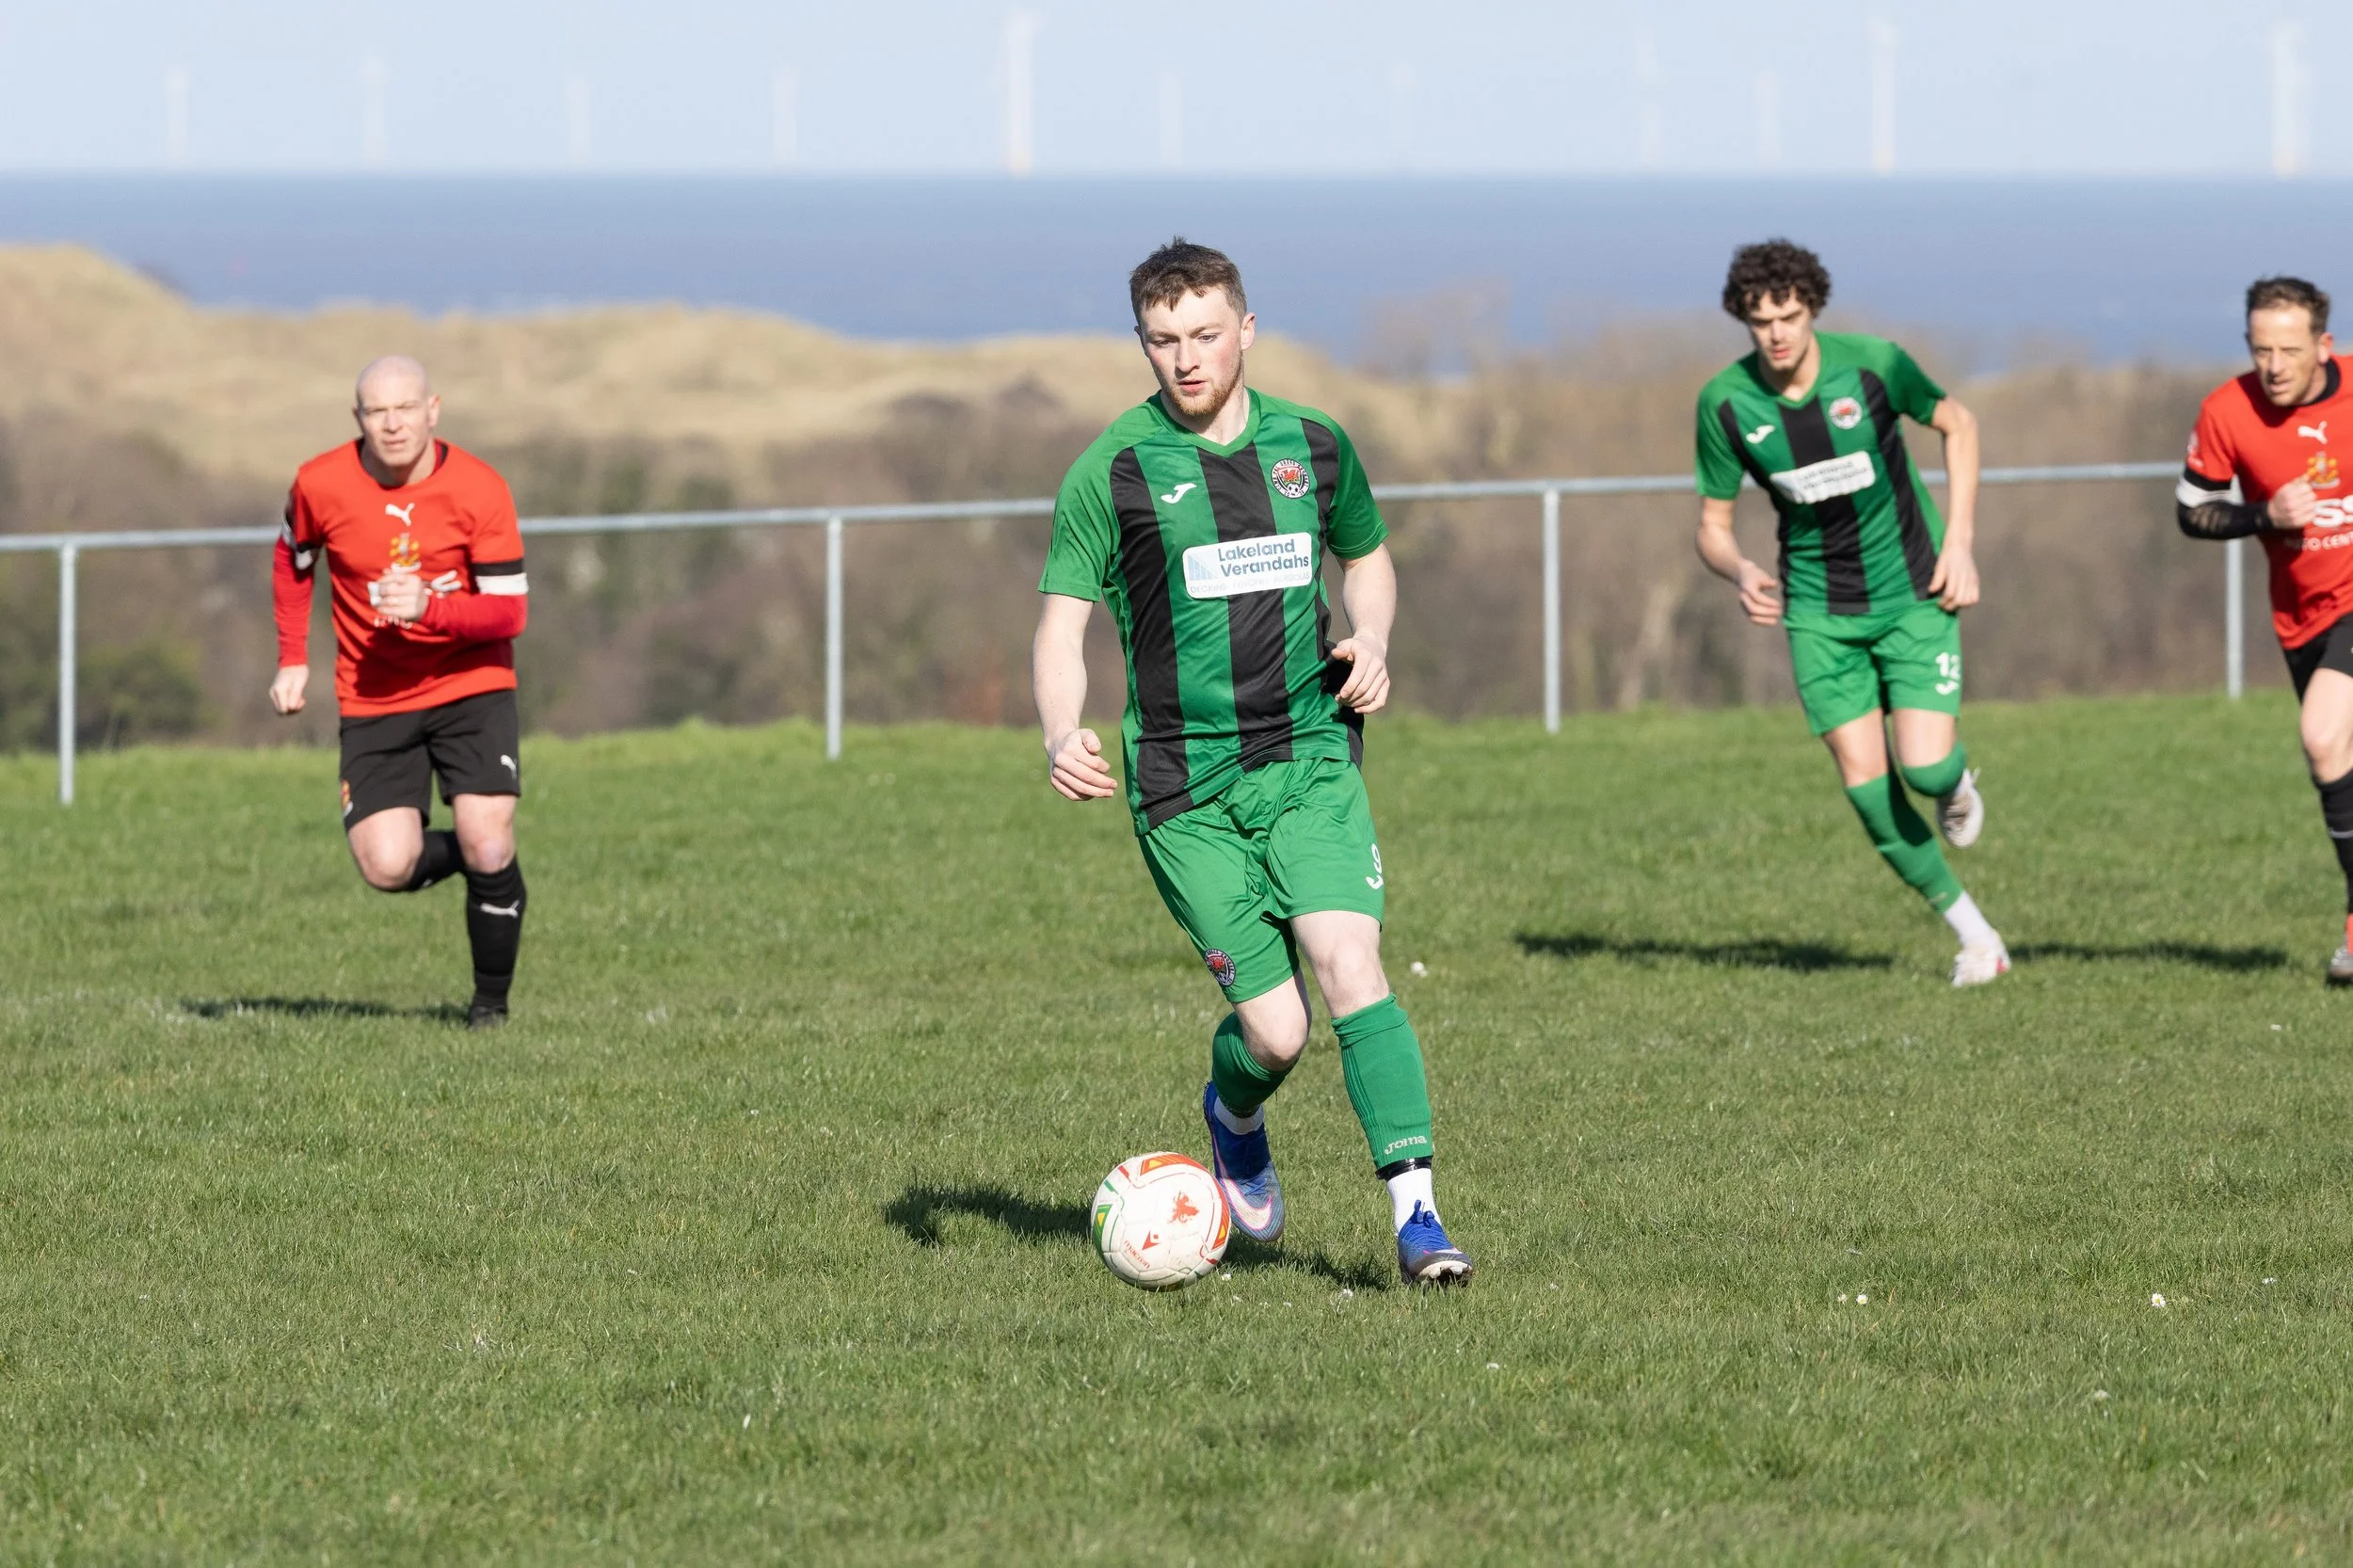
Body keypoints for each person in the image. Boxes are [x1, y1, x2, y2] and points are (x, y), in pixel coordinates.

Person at [1032, 239, 1471, 1285]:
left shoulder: (1313, 446)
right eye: (1163, 340)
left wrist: (1370, 640)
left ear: (1247, 331)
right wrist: (1062, 728)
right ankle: (1230, 1119)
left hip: (1309, 753)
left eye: (1204, 335)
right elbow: (1060, 626)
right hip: (1185, 790)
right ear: (1141, 343)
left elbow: (1364, 554)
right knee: (1275, 1032)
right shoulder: (1114, 470)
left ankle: (1417, 1220)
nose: (1185, 359)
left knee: (1351, 966)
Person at [1692, 239, 2008, 985]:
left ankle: (1957, 786)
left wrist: (1959, 542)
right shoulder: (1726, 404)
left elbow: (1958, 423)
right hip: (1816, 614)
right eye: (1760, 320)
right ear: (1743, 318)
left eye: (1790, 316)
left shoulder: (1873, 365)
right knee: (1867, 788)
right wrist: (1738, 568)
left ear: (1813, 309)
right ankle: (1977, 939)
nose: (1776, 334)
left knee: (1926, 771)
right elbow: (1710, 525)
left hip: (1913, 595)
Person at [269, 355, 532, 1027]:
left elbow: (511, 613)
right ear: (357, 418)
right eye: (377, 412)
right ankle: (480, 862)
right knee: (388, 866)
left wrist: (431, 610)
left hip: (471, 684)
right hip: (374, 697)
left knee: (490, 839)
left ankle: (489, 1009)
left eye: (406, 408)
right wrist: (292, 658)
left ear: (433, 410)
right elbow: (294, 561)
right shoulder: (318, 483)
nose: (393, 425)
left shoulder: (481, 488)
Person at [2177, 276, 2353, 983]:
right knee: (2331, 757)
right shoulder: (2227, 411)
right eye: (2260, 350)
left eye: (2288, 349)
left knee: (2320, 731)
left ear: (2323, 344)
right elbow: (2192, 512)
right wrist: (2264, 517)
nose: (2273, 366)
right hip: (2300, 613)